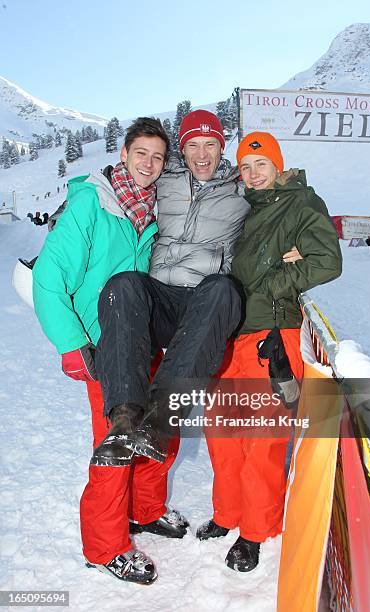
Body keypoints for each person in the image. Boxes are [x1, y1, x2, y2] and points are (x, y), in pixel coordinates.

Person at [32, 118, 187, 585]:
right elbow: (48, 277)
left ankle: (146, 510)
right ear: (123, 153)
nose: (149, 163)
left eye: (158, 157)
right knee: (116, 442)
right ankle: (104, 547)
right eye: (141, 153)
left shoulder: (155, 212)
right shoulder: (91, 206)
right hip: (106, 347)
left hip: (149, 340)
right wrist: (71, 343)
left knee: (161, 430)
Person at [196, 131, 342, 572]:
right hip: (229, 336)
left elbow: (328, 261)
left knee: (262, 438)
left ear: (277, 166)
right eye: (245, 167)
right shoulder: (245, 209)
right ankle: (227, 514)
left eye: (261, 165)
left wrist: (272, 286)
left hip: (271, 338)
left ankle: (256, 530)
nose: (254, 174)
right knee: (221, 431)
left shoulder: (302, 204)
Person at [92, 110, 250, 464]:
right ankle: (124, 419)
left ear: (221, 147)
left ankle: (161, 420)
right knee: (124, 284)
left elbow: (277, 199)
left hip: (204, 304)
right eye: (193, 145)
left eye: (211, 144)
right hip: (160, 299)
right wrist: (73, 208)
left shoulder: (240, 187)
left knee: (224, 289)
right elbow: (124, 185)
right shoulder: (166, 178)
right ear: (183, 148)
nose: (202, 154)